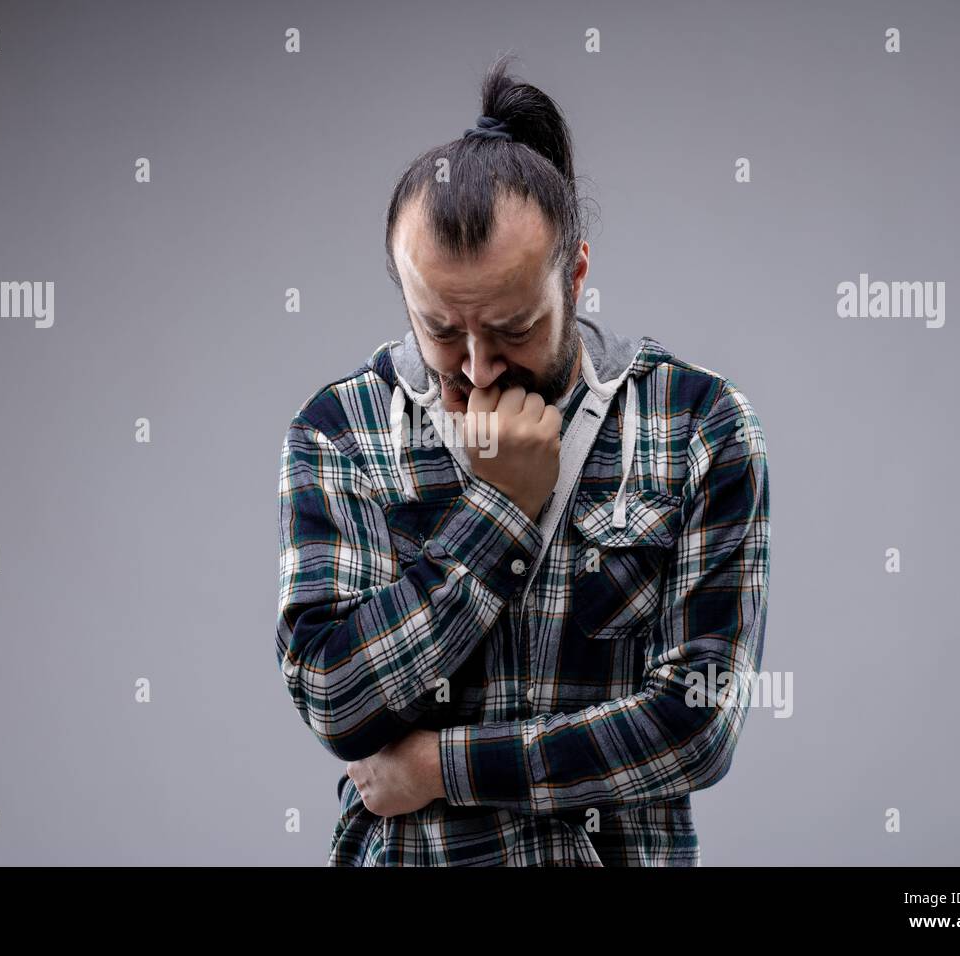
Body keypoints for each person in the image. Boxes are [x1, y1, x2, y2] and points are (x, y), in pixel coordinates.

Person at [275, 53, 771, 866]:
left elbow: (697, 726)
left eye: (512, 328)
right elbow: (336, 699)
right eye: (441, 328)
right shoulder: (341, 431)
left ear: (574, 277)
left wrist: (444, 766)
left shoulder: (699, 425)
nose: (476, 367)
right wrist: (500, 509)